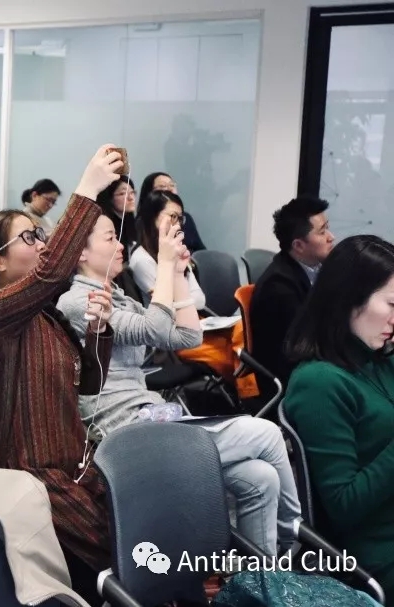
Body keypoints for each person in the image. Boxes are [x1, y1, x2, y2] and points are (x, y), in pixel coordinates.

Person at [58, 212, 302, 557]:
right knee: (267, 434)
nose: (120, 245)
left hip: (150, 418)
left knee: (260, 478)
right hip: (124, 433)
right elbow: (157, 328)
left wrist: (176, 274)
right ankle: (296, 538)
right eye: (110, 238)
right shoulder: (76, 302)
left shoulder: (120, 298)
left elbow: (188, 337)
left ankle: (258, 577)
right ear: (81, 252)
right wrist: (164, 262)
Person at [0, 145, 118, 574]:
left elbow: (91, 384)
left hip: (74, 463)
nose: (42, 243)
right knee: (125, 549)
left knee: (148, 520)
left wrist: (99, 330)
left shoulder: (46, 315)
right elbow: (51, 271)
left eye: (40, 234)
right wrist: (87, 189)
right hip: (29, 473)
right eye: (29, 238)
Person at [283, 235, 394, 595]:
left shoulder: (376, 358)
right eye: (392, 304)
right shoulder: (320, 382)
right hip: (374, 553)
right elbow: (344, 506)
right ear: (350, 298)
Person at [251, 197, 335, 387]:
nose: (331, 237)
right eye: (322, 232)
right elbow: (299, 346)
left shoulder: (317, 268)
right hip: (290, 377)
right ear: (298, 245)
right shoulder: (279, 286)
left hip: (313, 360)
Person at [130, 190, 206, 310]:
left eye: (180, 219)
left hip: (188, 316)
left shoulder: (176, 250)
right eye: (173, 216)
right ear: (152, 216)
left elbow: (200, 300)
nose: (178, 225)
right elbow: (167, 305)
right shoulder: (142, 259)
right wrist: (185, 299)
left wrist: (182, 300)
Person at [138, 171, 205, 252]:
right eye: (162, 186)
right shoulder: (141, 223)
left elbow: (201, 249)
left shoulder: (185, 217)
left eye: (172, 185)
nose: (170, 189)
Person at [94, 177, 138, 261]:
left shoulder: (130, 221)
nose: (131, 198)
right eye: (123, 193)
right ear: (109, 198)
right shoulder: (104, 225)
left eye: (132, 192)